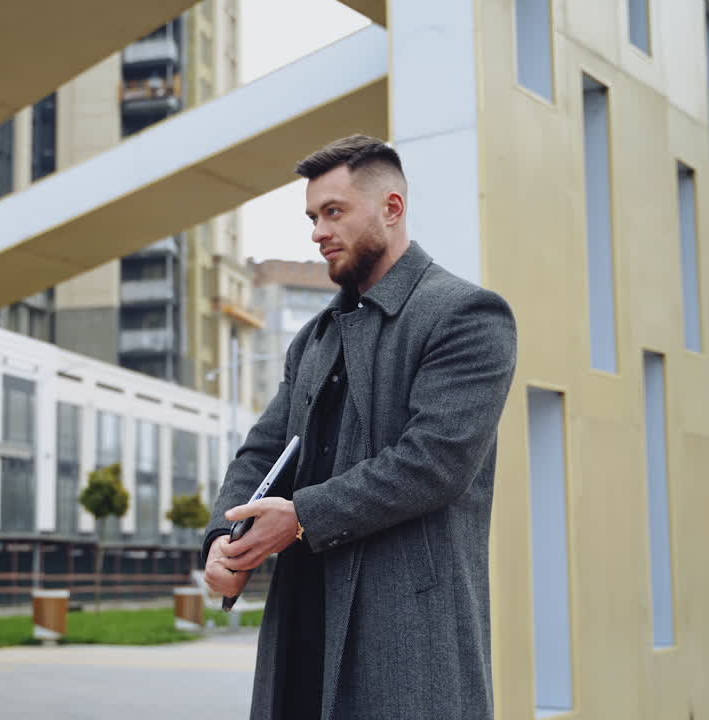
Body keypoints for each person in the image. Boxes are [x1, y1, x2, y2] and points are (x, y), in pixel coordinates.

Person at [202, 135, 517, 719]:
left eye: (334, 212)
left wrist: (302, 517)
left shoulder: (466, 315)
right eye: (312, 217)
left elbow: (434, 462)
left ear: (391, 208)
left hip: (405, 635)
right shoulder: (316, 336)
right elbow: (264, 451)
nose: (318, 232)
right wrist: (226, 535)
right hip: (301, 627)